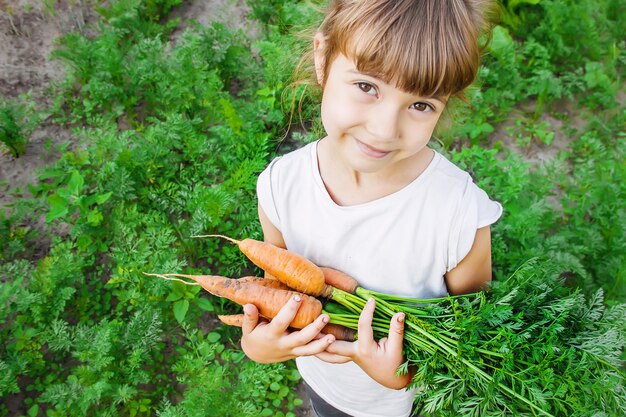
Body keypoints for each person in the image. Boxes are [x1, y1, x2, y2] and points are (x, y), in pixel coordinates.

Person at [241, 1, 502, 416]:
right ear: (323, 58)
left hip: (407, 403)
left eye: (420, 106)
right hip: (325, 387)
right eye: (367, 86)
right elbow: (276, 290)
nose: (384, 129)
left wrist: (404, 375)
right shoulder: (281, 185)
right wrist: (258, 341)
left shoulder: (458, 216)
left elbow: (473, 331)